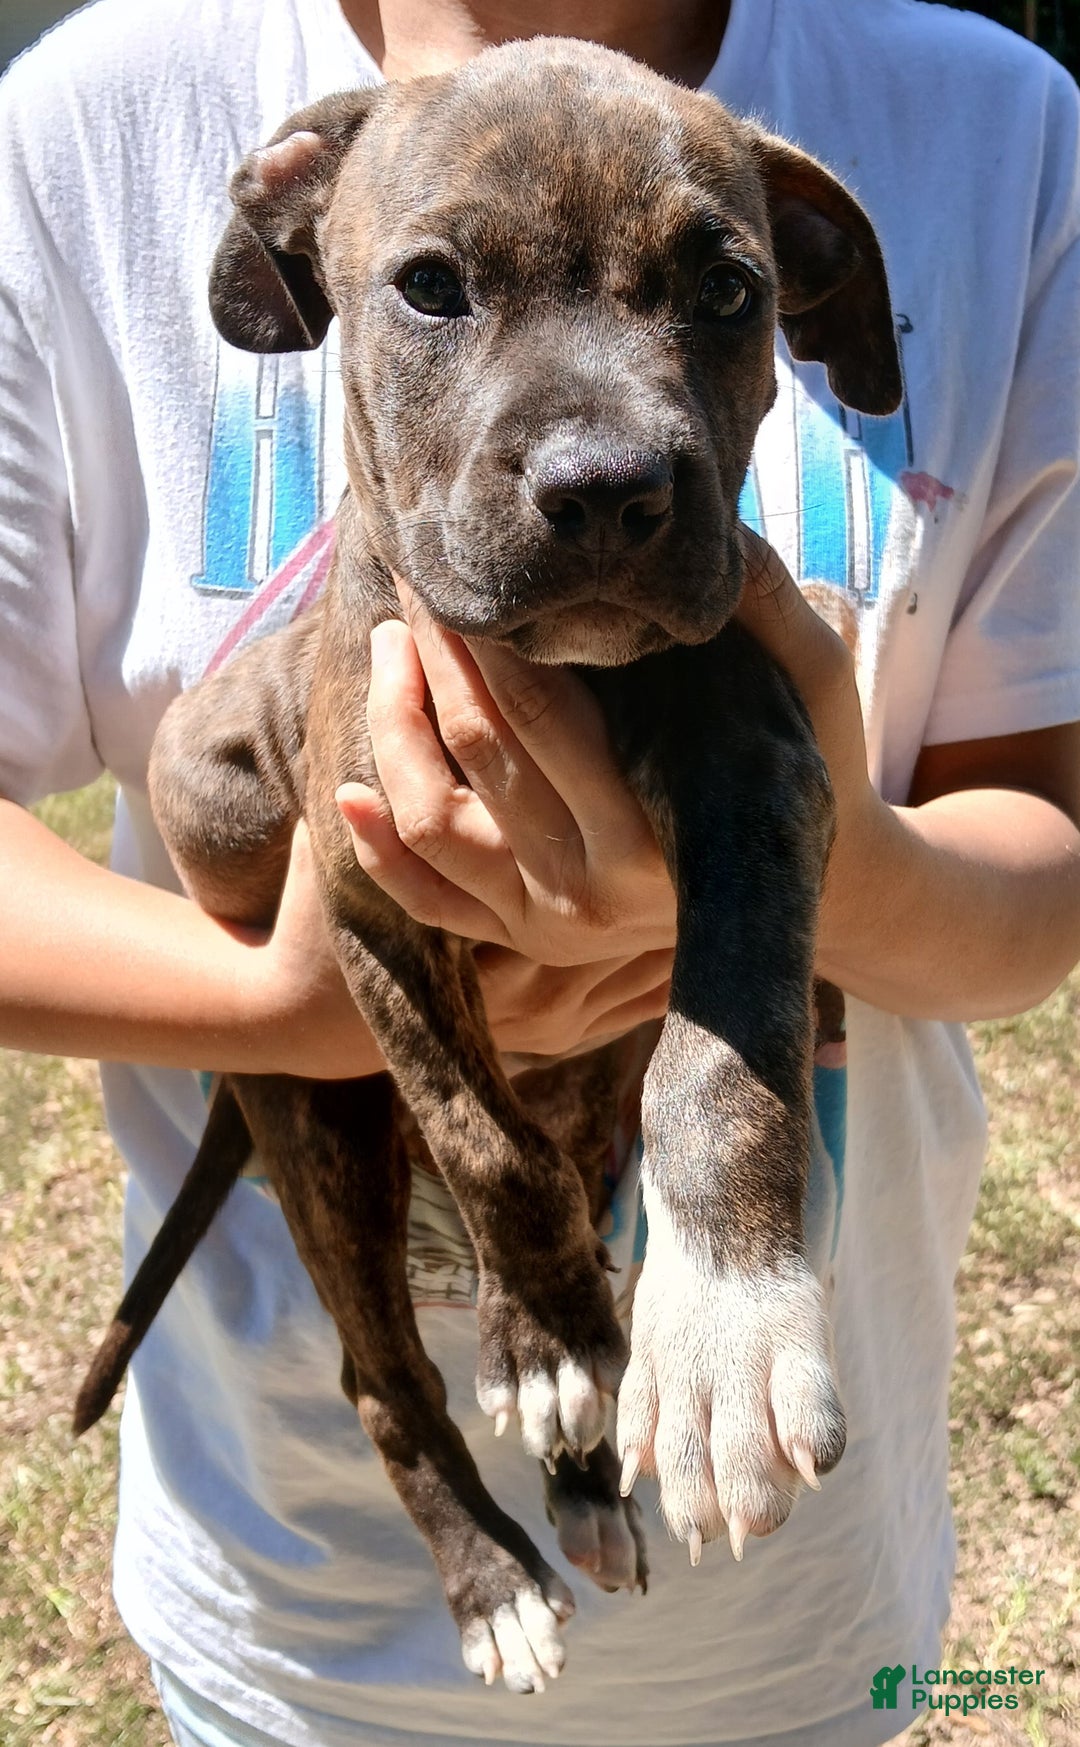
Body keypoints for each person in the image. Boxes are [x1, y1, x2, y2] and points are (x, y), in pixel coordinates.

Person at [1, 0, 1078, 1743]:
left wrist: (817, 860)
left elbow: (1041, 875)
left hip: (800, 1620)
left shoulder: (1003, 135)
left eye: (715, 293)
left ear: (812, 290)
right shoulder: (81, 132)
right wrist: (292, 1002)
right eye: (439, 289)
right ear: (297, 251)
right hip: (295, 1606)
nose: (602, 455)